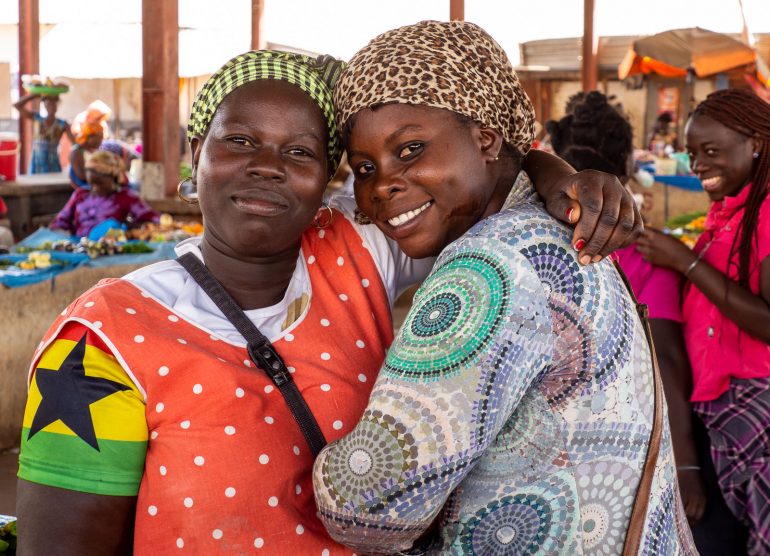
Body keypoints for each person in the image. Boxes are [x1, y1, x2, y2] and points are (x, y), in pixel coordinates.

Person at [16, 49, 639, 555]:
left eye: (300, 152)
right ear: (195, 153)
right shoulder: (102, 340)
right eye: (239, 141)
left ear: (326, 181)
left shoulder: (356, 247)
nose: (267, 167)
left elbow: (473, 183)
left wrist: (556, 172)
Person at [312, 21, 694, 555]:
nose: (381, 186)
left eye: (411, 149)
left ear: (486, 139)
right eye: (364, 168)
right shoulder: (553, 229)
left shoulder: (486, 268)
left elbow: (368, 510)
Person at [547, 91, 708, 528]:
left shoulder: (535, 243)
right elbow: (668, 365)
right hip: (625, 448)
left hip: (549, 453)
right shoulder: (645, 252)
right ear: (626, 166)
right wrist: (688, 466)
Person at [637, 88, 770, 555]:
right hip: (715, 405)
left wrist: (685, 262)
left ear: (755, 143)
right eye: (692, 154)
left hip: (755, 408)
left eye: (711, 152)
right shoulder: (727, 213)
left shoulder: (767, 216)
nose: (698, 167)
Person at [50, 150, 158, 238]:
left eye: (100, 184)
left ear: (113, 177)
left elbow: (153, 218)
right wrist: (64, 235)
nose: (96, 189)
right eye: (93, 184)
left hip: (111, 250)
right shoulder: (80, 194)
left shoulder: (125, 196)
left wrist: (128, 227)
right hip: (79, 247)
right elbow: (60, 221)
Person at [13, 93, 74, 174]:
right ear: (44, 105)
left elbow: (75, 142)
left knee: (53, 185)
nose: (51, 106)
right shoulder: (37, 118)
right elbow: (17, 106)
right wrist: (33, 95)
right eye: (49, 103)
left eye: (54, 104)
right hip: (37, 163)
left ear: (57, 105)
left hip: (53, 163)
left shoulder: (62, 124)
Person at [69, 102, 110, 189]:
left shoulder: (96, 151)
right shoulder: (77, 152)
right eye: (99, 138)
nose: (101, 141)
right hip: (85, 187)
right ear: (90, 137)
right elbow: (82, 176)